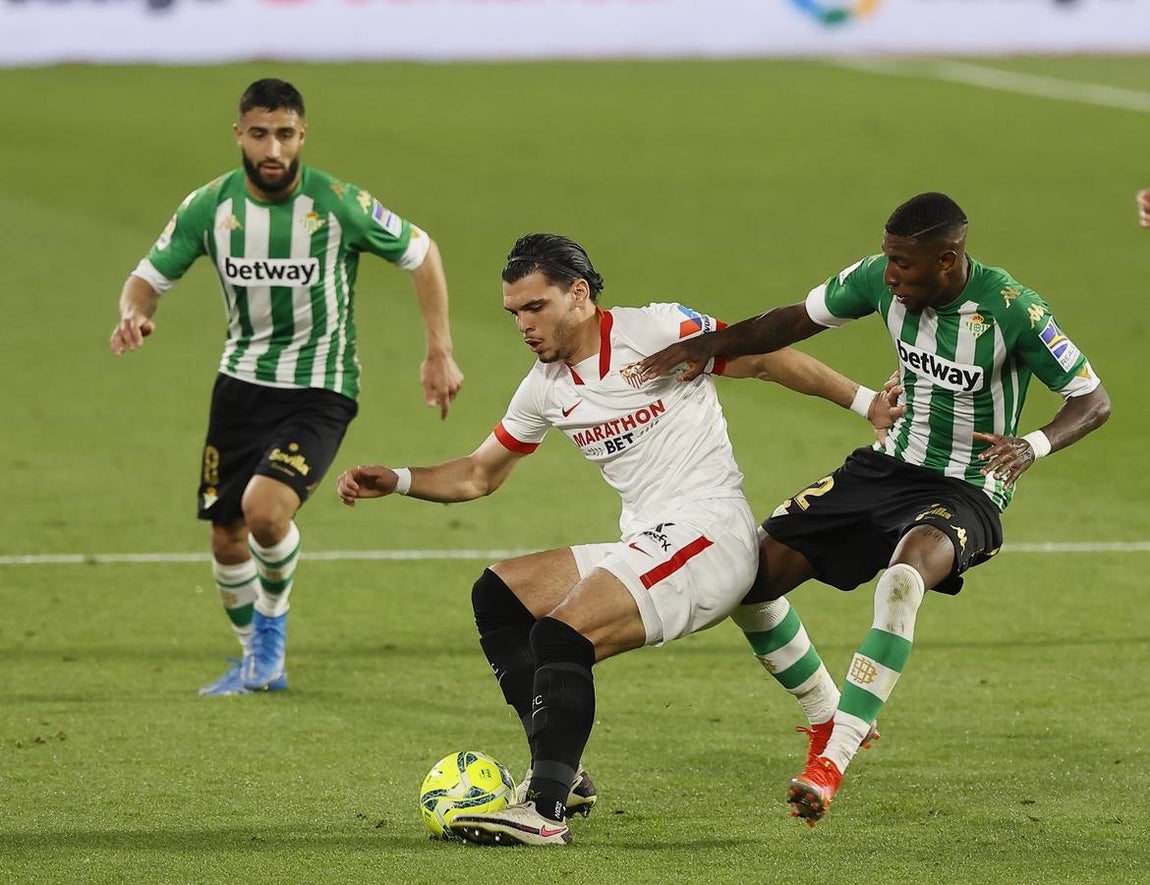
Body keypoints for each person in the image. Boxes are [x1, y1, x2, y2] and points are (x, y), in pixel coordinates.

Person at [336, 232, 898, 846]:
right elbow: (478, 473)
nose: (523, 324)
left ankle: (544, 811)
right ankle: (562, 772)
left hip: (710, 530)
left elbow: (764, 357)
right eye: (514, 312)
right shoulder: (545, 386)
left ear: (578, 294)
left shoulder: (657, 330)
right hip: (650, 540)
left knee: (561, 633)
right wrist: (398, 479)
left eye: (534, 307)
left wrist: (866, 401)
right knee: (500, 596)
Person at [638, 192, 1112, 826]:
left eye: (904, 265)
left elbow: (1092, 399)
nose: (890, 275)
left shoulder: (1013, 311)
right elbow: (792, 322)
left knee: (902, 580)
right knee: (744, 583)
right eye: (888, 259)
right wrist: (711, 345)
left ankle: (830, 763)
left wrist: (1034, 443)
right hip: (887, 467)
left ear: (948, 259)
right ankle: (827, 714)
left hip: (968, 486)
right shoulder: (878, 281)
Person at [110, 78, 464, 697]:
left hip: (321, 387)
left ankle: (271, 633)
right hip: (240, 386)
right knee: (225, 536)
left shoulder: (337, 203)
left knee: (264, 513)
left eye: (284, 134)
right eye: (258, 134)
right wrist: (135, 313)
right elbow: (147, 276)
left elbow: (422, 251)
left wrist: (440, 348)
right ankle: (254, 660)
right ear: (239, 135)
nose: (271, 148)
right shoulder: (210, 208)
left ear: (302, 135)